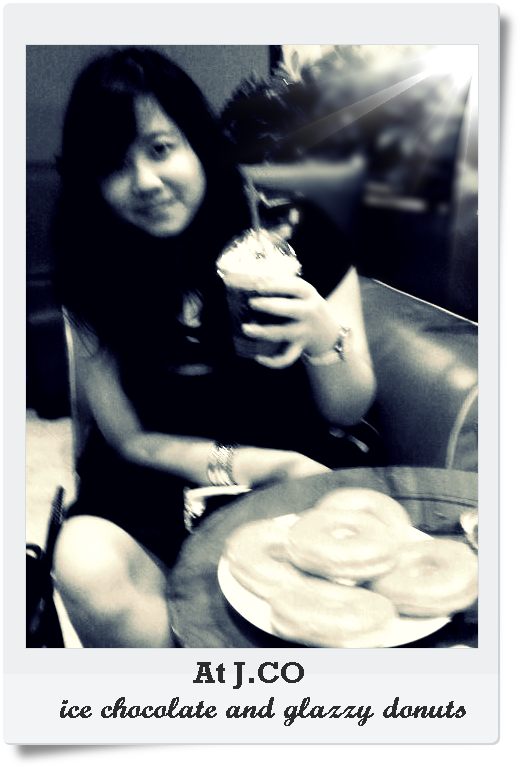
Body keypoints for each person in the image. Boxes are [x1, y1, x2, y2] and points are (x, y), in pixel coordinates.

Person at [52, 47, 376, 648]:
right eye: (114, 164)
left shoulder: (293, 233)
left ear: (197, 142)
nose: (144, 182)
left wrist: (322, 338)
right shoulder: (90, 260)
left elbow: (347, 408)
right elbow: (127, 436)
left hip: (293, 454)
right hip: (160, 467)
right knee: (86, 563)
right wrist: (251, 466)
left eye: (159, 148)